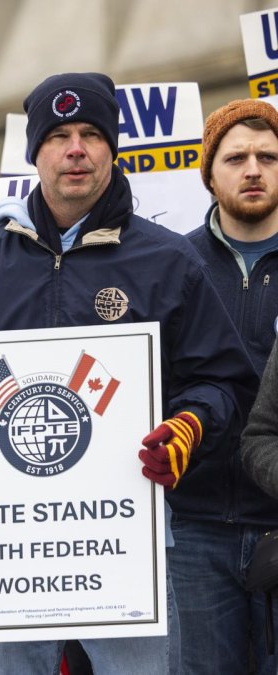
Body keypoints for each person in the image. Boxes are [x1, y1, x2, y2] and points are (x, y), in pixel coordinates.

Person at [0, 72, 255, 674]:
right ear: (36, 152)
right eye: (58, 135)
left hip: (123, 545)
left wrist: (189, 427)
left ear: (113, 147)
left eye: (91, 133)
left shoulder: (167, 261)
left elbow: (224, 382)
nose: (76, 149)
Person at [178, 99, 278, 673]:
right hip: (194, 525)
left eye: (268, 156)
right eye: (236, 157)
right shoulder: (173, 264)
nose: (253, 169)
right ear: (209, 173)